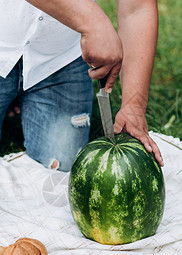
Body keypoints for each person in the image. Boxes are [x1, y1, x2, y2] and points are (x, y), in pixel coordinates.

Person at [0, 0, 163, 172]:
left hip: (60, 58)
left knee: (62, 165)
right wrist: (93, 21)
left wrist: (134, 105)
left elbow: (137, 9)